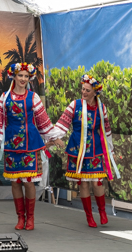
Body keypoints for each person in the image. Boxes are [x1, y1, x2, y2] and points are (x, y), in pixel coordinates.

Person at [0, 63, 64, 231]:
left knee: (29, 182)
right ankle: (20, 218)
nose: (23, 79)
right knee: (15, 182)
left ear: (30, 78)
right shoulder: (4, 97)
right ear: (13, 76)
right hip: (11, 145)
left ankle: (30, 218)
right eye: (20, 75)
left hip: (31, 143)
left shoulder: (33, 97)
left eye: (26, 76)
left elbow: (43, 119)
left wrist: (54, 137)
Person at [47, 74, 119, 228]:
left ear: (95, 92)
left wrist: (110, 150)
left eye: (87, 90)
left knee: (97, 181)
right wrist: (55, 138)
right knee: (83, 183)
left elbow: (106, 130)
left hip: (95, 149)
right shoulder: (75, 105)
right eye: (83, 89)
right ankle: (89, 217)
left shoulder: (102, 108)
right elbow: (63, 123)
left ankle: (102, 212)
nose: (84, 92)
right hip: (77, 149)